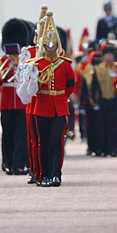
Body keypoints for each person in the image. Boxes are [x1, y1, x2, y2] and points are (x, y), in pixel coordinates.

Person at [16, 12, 76, 187]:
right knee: (43, 143)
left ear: (57, 45)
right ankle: (44, 175)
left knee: (56, 142)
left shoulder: (65, 64)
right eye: (48, 44)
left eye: (53, 44)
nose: (51, 47)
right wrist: (33, 78)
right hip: (41, 106)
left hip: (59, 106)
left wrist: (60, 98)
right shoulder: (36, 64)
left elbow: (70, 86)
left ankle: (56, 175)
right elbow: (31, 90)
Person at [0, 18, 32, 175]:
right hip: (8, 102)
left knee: (21, 134)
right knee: (7, 133)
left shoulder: (27, 60)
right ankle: (7, 162)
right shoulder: (3, 61)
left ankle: (19, 163)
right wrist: (7, 66)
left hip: (22, 103)